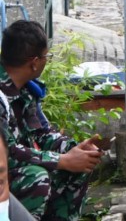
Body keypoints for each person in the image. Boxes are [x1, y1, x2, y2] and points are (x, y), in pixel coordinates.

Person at [0, 20, 101, 221]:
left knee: (81, 163)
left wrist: (73, 149)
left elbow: (40, 133)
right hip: (8, 171)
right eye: (47, 56)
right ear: (34, 62)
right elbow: (8, 152)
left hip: (19, 163)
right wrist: (63, 161)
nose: (48, 61)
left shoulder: (26, 89)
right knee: (36, 177)